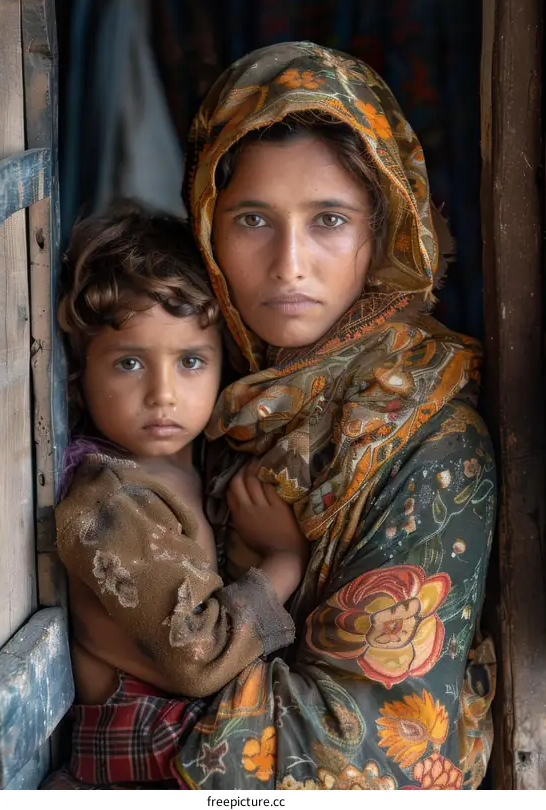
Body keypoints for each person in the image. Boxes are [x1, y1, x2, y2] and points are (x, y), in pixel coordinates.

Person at [47, 42, 496, 791]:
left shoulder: (430, 445)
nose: (290, 263)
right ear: (208, 229)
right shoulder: (198, 400)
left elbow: (370, 753)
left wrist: (136, 675)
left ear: (379, 235)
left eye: (328, 220)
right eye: (253, 219)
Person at [52, 201, 308, 783]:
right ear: (81, 369)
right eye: (128, 363)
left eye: (190, 360)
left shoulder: (192, 463)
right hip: (146, 769)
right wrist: (284, 560)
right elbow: (198, 659)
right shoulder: (111, 501)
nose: (162, 394)